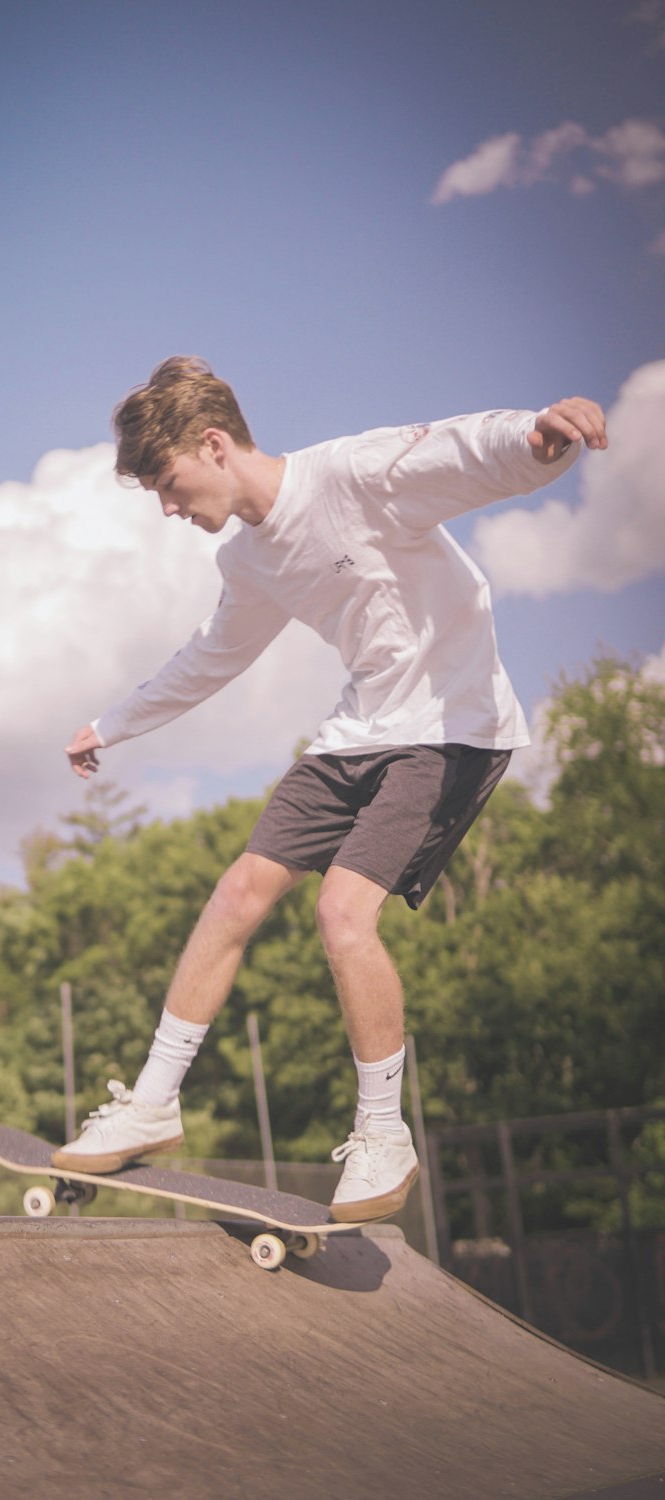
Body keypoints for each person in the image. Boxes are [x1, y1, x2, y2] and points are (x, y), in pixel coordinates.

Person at [53, 357, 608, 1222]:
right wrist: (113, 723)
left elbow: (459, 452)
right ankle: (154, 1102)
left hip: (451, 726)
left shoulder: (350, 475)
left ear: (213, 445)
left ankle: (383, 1133)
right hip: (361, 731)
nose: (166, 506)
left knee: (342, 911)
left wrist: (536, 441)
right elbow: (211, 656)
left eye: (167, 483)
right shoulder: (249, 561)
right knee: (239, 889)